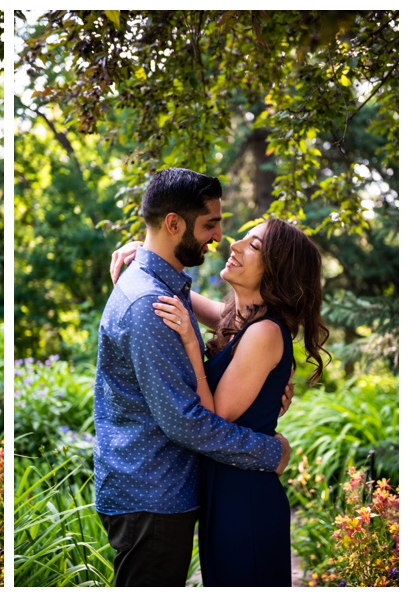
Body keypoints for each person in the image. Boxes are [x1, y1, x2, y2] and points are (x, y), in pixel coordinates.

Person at [93, 167, 294, 587]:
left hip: (167, 493)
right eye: (210, 224)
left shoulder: (165, 290)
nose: (220, 237)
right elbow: (187, 420)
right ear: (173, 223)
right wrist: (270, 452)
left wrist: (141, 250)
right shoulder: (150, 303)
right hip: (153, 496)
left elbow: (231, 328)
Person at [149, 217, 329, 586]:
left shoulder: (263, 332)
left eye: (254, 246)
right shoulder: (241, 321)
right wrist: (144, 255)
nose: (235, 245)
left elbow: (213, 415)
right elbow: (186, 298)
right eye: (243, 239)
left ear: (277, 270)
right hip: (226, 487)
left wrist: (189, 342)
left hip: (245, 501)